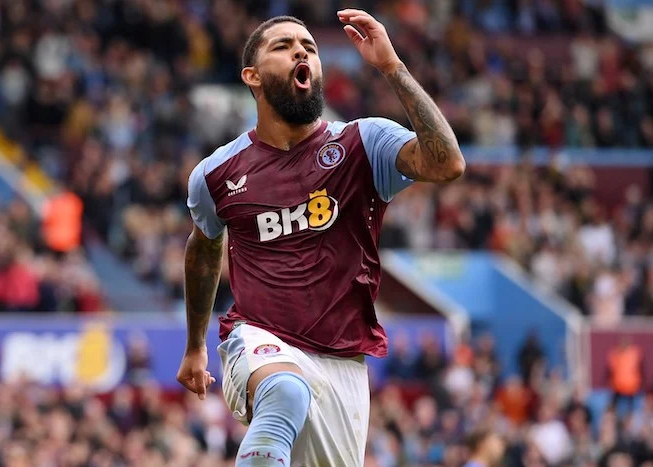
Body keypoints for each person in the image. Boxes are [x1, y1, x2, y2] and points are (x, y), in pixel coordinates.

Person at [176, 9, 465, 467]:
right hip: (258, 339)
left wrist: (393, 67)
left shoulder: (364, 143)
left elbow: (447, 163)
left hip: (342, 362)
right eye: (284, 46)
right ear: (252, 76)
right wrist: (195, 346)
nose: (301, 52)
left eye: (309, 47)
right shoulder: (216, 174)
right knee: (285, 390)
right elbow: (205, 247)